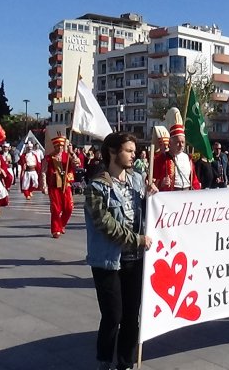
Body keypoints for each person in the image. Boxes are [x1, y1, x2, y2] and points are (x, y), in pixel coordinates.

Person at [83, 132, 155, 370]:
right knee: (113, 315)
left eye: (134, 150)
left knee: (131, 316)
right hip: (108, 261)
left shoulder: (138, 180)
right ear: (113, 152)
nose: (134, 154)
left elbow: (147, 213)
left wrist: (154, 197)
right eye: (129, 150)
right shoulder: (96, 187)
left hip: (136, 259)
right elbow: (107, 226)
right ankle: (104, 359)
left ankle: (125, 361)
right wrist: (138, 239)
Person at [42, 136, 81, 238]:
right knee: (56, 209)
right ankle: (55, 230)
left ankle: (62, 224)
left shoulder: (67, 156)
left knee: (69, 208)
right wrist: (44, 185)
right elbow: (43, 172)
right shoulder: (48, 158)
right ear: (54, 146)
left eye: (61, 146)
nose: (60, 148)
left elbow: (77, 164)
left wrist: (72, 152)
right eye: (58, 145)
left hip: (66, 185)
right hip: (54, 186)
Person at [152, 113, 201, 191]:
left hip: (187, 193)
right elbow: (151, 180)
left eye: (183, 142)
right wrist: (161, 183)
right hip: (171, 195)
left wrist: (198, 191)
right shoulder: (161, 159)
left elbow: (194, 179)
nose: (181, 145)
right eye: (177, 142)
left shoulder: (188, 158)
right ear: (170, 143)